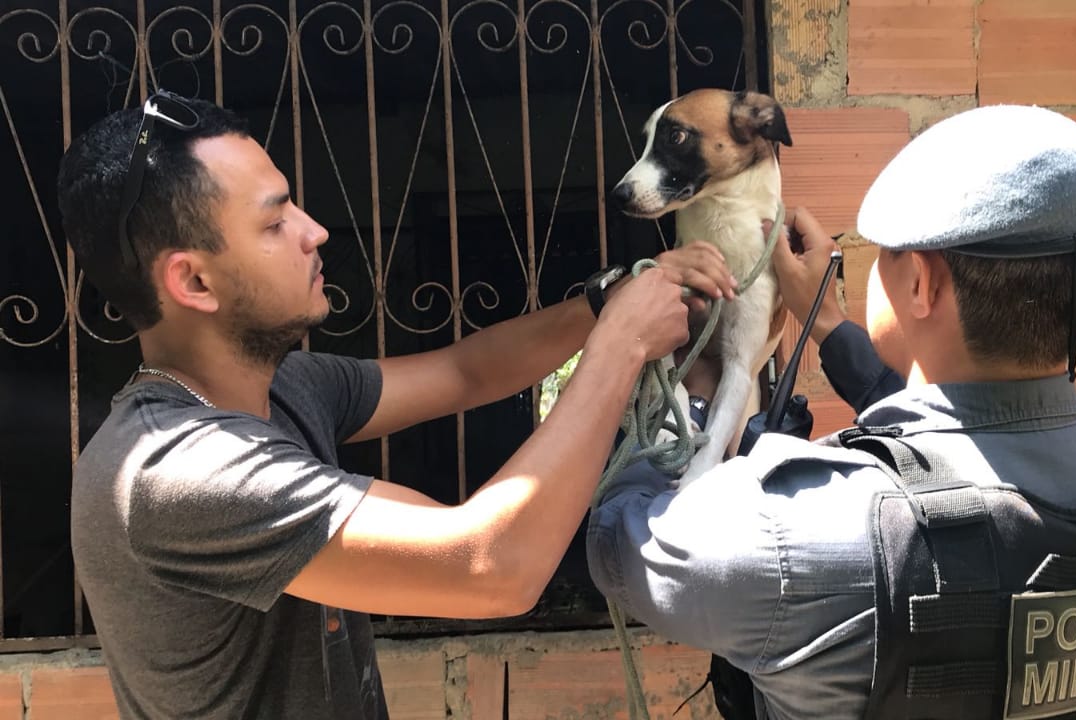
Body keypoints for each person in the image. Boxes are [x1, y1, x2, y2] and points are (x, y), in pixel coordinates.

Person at [58, 90, 736, 720]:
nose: (314, 231)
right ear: (194, 281)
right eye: (275, 221)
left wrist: (605, 300)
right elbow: (490, 567)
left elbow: (464, 372)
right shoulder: (179, 471)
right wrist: (621, 344)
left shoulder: (286, 388)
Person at [587, 105, 1076, 720]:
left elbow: (616, 541)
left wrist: (688, 383)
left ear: (920, 282)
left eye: (882, 256)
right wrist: (827, 324)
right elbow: (964, 443)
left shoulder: (788, 536)